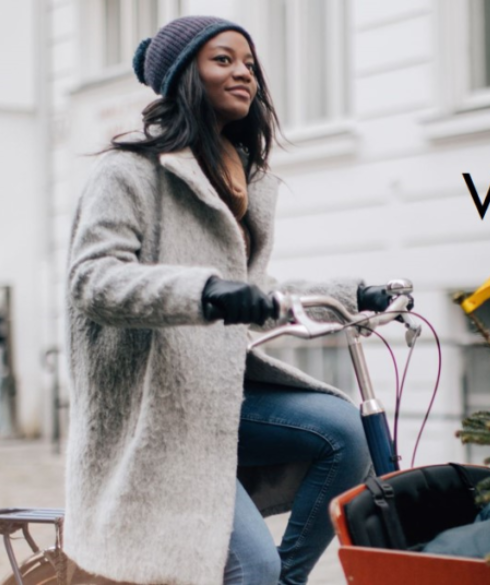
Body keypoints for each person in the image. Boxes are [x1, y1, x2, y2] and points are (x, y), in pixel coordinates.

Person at [64, 15, 408, 585]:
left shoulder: (236, 174)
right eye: (223, 60)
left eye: (249, 63)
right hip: (161, 421)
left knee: (343, 430)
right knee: (251, 564)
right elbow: (94, 281)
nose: (244, 73)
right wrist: (206, 293)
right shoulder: (128, 174)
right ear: (184, 77)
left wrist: (354, 295)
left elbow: (254, 289)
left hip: (219, 396)